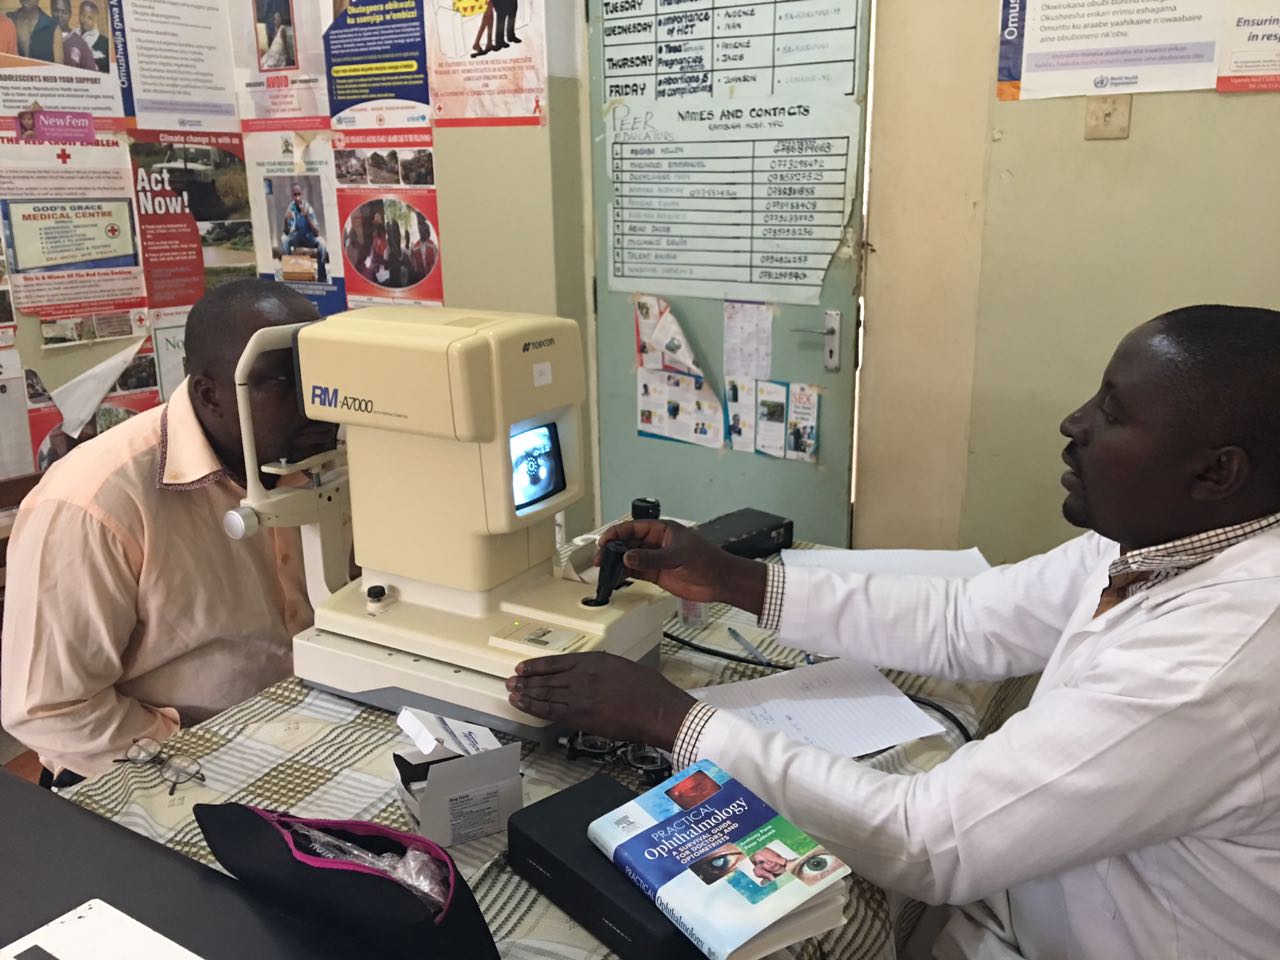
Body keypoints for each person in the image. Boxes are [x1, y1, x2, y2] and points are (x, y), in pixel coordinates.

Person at [506, 304, 1280, 959]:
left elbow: (930, 842)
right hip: (1049, 907)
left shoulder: (1221, 658)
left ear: (1217, 473)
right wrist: (733, 579)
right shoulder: (1165, 536)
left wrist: (672, 720)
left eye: (1112, 412)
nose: (1072, 422)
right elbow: (964, 620)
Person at [1, 280, 341, 785]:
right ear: (210, 395)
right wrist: (206, 761)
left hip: (306, 725)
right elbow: (49, 709)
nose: (317, 399)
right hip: (159, 762)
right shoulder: (94, 505)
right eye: (283, 382)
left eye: (320, 372)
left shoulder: (320, 454)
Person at [280, 183, 328, 282]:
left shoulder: (307, 207)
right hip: (296, 237)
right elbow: (286, 232)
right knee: (284, 239)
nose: (297, 197)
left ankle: (322, 277)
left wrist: (307, 217)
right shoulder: (291, 208)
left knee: (321, 243)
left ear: (302, 194)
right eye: (295, 195)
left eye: (299, 194)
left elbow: (317, 232)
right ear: (292, 196)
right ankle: (290, 272)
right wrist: (285, 219)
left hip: (308, 237)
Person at [53, 0, 95, 71]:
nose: (59, 15)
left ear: (70, 14)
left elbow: (91, 72)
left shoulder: (80, 44)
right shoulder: (44, 37)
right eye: (56, 11)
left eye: (64, 12)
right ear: (51, 11)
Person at [75, 1, 108, 72]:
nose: (85, 20)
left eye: (89, 18)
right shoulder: (71, 36)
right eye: (82, 15)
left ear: (96, 19)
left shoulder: (105, 44)